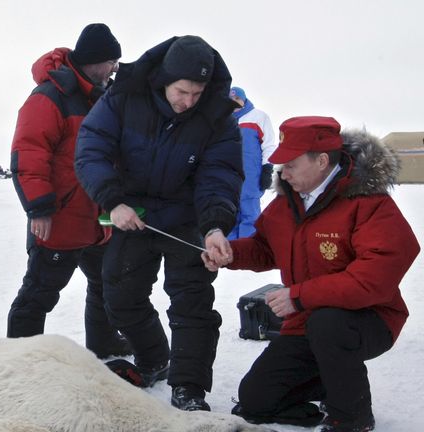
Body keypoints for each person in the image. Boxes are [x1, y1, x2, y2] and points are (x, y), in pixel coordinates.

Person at [202, 116, 420, 431]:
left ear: (321, 161)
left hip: (369, 319)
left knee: (328, 324)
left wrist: (299, 296)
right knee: (256, 400)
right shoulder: (285, 204)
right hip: (307, 319)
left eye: (290, 164)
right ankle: (329, 381)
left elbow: (373, 277)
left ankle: (351, 418)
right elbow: (265, 248)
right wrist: (231, 254)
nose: (282, 172)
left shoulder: (368, 203)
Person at [74, 35, 244, 411]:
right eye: (183, 91)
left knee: (192, 303)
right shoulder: (124, 96)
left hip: (188, 217)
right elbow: (91, 148)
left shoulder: (217, 115)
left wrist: (215, 226)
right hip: (135, 214)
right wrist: (113, 200)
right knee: (118, 293)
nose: (189, 102)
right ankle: (154, 358)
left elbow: (220, 176)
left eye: (197, 93)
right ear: (165, 79)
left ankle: (189, 388)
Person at [7, 23, 130, 359]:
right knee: (39, 293)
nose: (115, 68)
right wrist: (39, 208)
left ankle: (103, 343)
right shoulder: (49, 96)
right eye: (112, 61)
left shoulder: (103, 97)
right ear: (96, 60)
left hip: (98, 219)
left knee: (106, 285)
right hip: (60, 218)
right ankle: (20, 358)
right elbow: (29, 153)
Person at [227, 86, 277, 239]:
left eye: (237, 99)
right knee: (228, 213)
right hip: (228, 176)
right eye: (230, 100)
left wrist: (267, 169)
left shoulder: (258, 117)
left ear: (243, 99)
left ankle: (249, 252)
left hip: (251, 177)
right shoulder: (221, 120)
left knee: (250, 214)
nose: (234, 103)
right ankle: (230, 255)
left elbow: (268, 145)